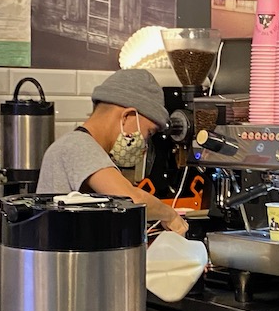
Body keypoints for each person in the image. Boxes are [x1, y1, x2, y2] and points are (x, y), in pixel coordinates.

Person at [34, 69, 188, 235]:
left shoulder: (78, 145)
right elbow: (131, 200)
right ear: (127, 116)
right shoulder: (78, 145)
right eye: (149, 132)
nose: (144, 143)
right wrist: (169, 215)